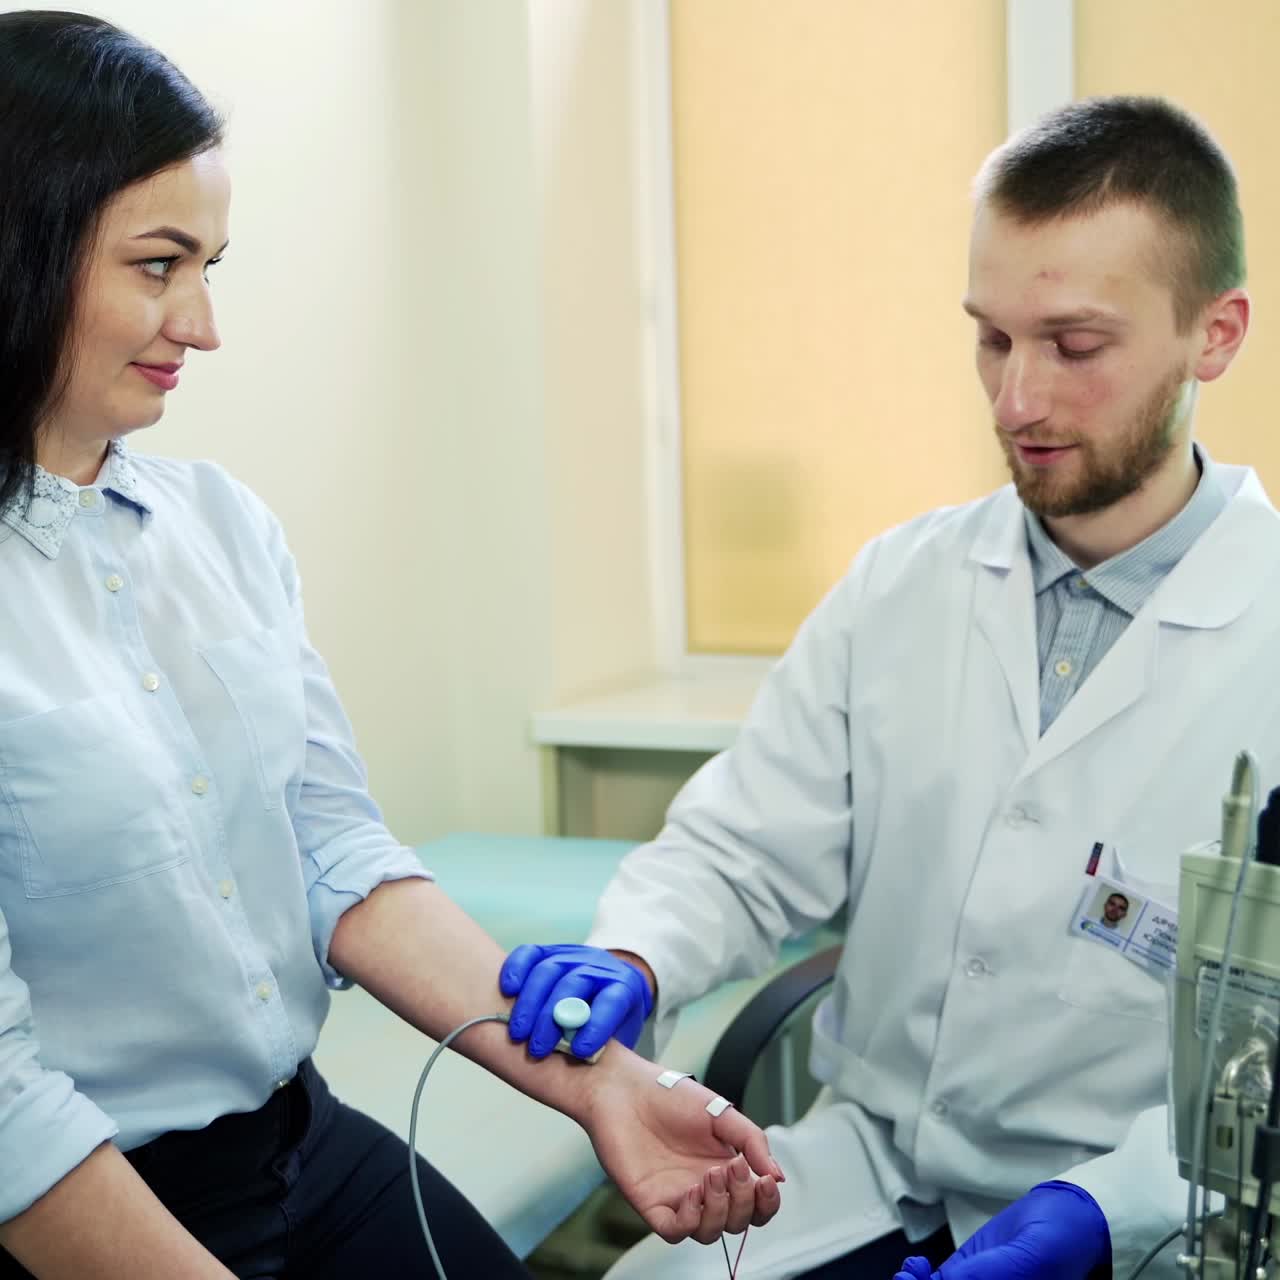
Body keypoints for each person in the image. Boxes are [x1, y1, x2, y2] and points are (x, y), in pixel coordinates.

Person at [0, 12, 784, 1280]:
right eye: (157, 265)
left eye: (210, 266)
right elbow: (5, 1105)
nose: (201, 324)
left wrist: (605, 1086)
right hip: (79, 1207)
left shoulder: (223, 528)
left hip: (297, 1143)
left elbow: (335, 850)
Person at [502, 95, 1280, 1280]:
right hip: (861, 1174)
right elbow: (745, 845)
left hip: (1149, 1218)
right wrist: (637, 955)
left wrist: (1105, 1209)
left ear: (1213, 334)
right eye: (990, 337)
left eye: (1072, 345)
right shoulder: (901, 583)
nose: (1015, 400)